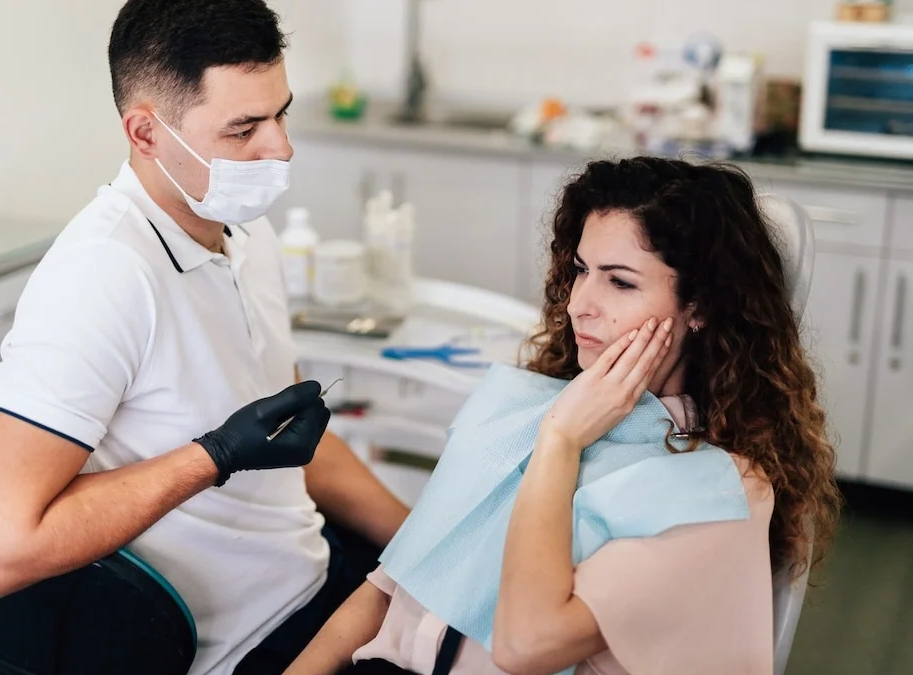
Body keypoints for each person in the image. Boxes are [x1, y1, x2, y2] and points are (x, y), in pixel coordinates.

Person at [0, 1, 409, 673]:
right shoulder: (102, 277)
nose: (280, 147)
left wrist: (417, 538)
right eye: (244, 127)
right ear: (145, 132)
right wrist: (214, 454)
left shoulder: (246, 232)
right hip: (234, 646)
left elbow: (287, 435)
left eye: (281, 113)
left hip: (308, 578)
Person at [284, 157, 842, 675]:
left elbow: (527, 645)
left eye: (620, 281)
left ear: (700, 307)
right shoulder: (522, 408)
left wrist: (560, 442)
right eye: (580, 270)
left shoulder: (718, 490)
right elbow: (390, 585)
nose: (579, 303)